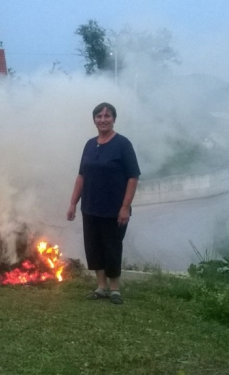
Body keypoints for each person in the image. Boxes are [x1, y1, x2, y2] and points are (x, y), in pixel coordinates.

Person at [67, 102, 140, 305]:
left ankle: (115, 289)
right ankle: (100, 287)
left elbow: (133, 177)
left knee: (112, 248)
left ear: (114, 119)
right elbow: (81, 176)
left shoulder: (123, 144)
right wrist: (73, 203)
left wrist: (125, 207)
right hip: (90, 208)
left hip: (114, 210)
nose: (103, 120)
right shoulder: (90, 145)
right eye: (99, 116)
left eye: (107, 116)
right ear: (94, 120)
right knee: (94, 247)